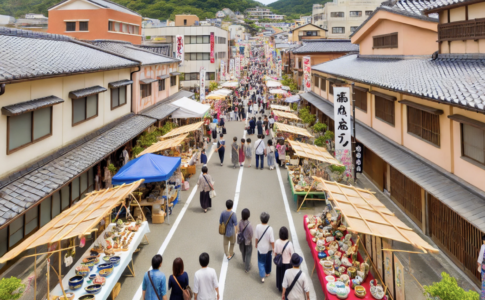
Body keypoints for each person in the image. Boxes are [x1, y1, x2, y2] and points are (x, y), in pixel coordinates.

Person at [255, 212, 274, 283]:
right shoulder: (270, 229)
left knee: (261, 262)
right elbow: (272, 241)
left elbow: (256, 238)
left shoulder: (257, 227)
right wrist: (273, 248)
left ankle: (262, 277)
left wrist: (256, 244)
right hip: (268, 248)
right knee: (268, 260)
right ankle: (267, 272)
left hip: (261, 248)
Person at [274, 227, 294, 292]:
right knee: (287, 278)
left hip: (280, 263)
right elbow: (292, 254)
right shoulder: (289, 244)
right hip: (288, 264)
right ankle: (287, 290)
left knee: (280, 276)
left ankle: (280, 288)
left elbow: (275, 252)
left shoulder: (277, 242)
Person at [238, 208, 254, 273]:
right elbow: (251, 234)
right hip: (248, 241)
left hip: (241, 240)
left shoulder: (240, 222)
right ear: (248, 215)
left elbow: (239, 230)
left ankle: (244, 261)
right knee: (248, 253)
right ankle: (247, 267)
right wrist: (250, 239)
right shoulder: (249, 225)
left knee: (243, 251)